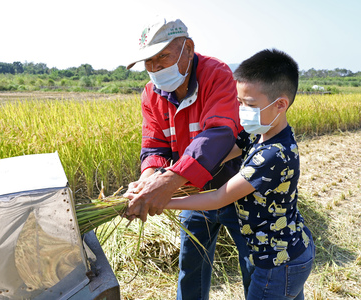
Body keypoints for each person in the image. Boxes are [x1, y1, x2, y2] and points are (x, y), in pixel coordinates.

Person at [165, 49, 315, 300]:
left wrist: (164, 201)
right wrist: (172, 176)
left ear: (280, 105)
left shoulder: (272, 155)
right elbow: (223, 153)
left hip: (277, 264)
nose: (242, 110)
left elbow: (218, 198)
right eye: (239, 102)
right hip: (290, 251)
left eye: (250, 104)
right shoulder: (257, 134)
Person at [124, 16, 253, 299]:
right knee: (191, 266)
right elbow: (154, 146)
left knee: (252, 264)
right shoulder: (152, 93)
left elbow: (219, 134)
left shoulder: (215, 75)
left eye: (163, 58)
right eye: (149, 62)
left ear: (189, 49)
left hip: (237, 187)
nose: (156, 69)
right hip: (192, 190)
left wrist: (168, 181)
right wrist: (147, 182)